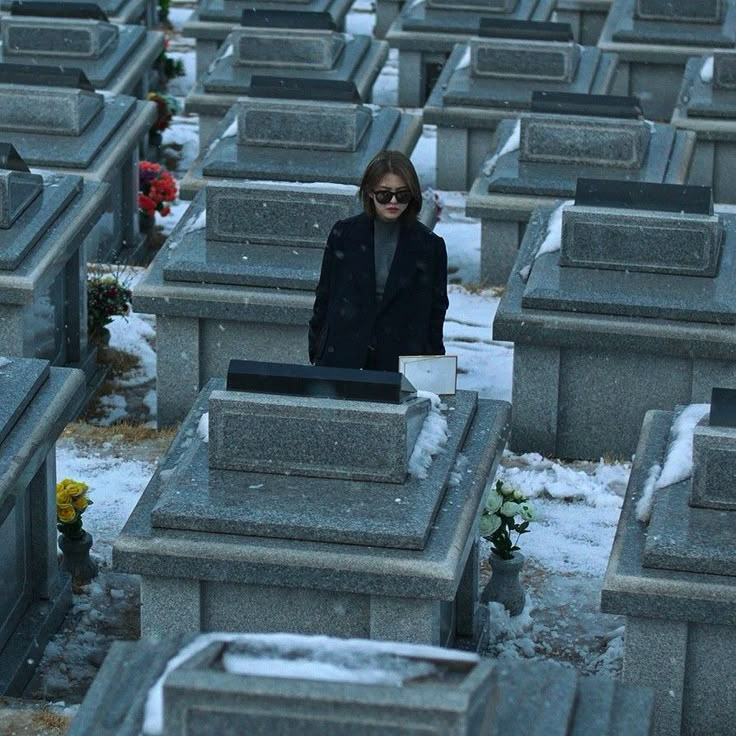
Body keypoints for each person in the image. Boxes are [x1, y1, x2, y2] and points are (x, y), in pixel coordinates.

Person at [308, 150, 449, 372]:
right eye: (384, 194)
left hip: (401, 359)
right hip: (342, 354)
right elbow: (325, 296)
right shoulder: (344, 234)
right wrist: (318, 347)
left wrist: (431, 365)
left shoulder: (430, 246)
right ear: (370, 193)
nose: (393, 201)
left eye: (402, 194)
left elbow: (436, 311)